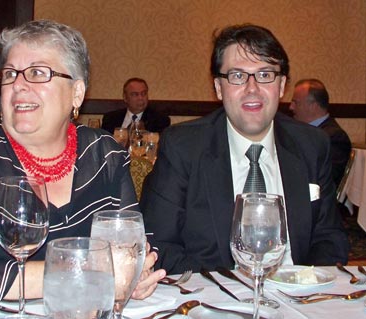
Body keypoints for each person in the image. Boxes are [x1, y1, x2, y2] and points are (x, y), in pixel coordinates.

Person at [0, 19, 165, 312]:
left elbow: (128, 248)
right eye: (10, 74)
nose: (18, 85)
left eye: (38, 73)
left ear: (77, 93)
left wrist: (133, 277)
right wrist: (96, 273)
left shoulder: (105, 155)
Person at [140, 24, 349, 274]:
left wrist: (300, 285)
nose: (252, 89)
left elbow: (330, 238)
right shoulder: (183, 147)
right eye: (238, 76)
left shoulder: (312, 145)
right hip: (216, 299)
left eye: (264, 75)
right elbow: (159, 245)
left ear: (281, 86)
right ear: (219, 87)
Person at [290, 78, 351, 187]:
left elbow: (324, 179)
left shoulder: (334, 137)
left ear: (313, 106)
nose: (291, 107)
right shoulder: (301, 131)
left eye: (296, 102)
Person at [101, 77, 170, 134]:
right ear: (125, 97)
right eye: (135, 94)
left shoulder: (160, 120)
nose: (140, 98)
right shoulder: (110, 119)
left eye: (143, 94)